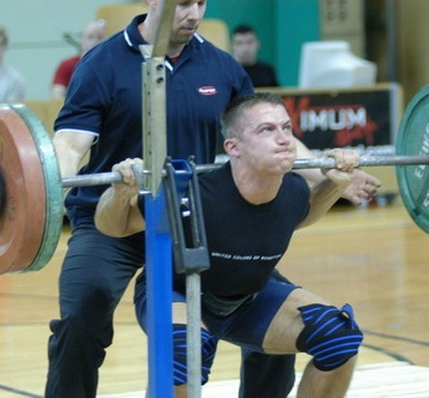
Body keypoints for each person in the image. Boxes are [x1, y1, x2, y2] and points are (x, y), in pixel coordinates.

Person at [47, 0, 380, 396]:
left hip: (194, 218)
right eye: (184, 3)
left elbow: (265, 131)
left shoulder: (220, 67)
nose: (194, 14)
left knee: (263, 296)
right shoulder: (102, 63)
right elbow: (70, 142)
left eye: (201, 3)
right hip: (113, 218)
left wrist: (329, 170)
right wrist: (55, 184)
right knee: (83, 313)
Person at [95, 92, 367, 397]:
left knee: (338, 337)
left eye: (287, 128)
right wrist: (119, 191)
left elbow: (302, 215)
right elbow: (112, 226)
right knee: (185, 354)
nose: (284, 139)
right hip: (177, 291)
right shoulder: (194, 193)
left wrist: (335, 183)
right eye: (267, 130)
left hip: (247, 299)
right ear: (233, 147)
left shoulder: (293, 191)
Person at [51, 20, 107, 100]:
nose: (95, 41)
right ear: (82, 39)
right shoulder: (67, 65)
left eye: (100, 37)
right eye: (90, 37)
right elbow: (57, 96)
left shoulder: (111, 65)